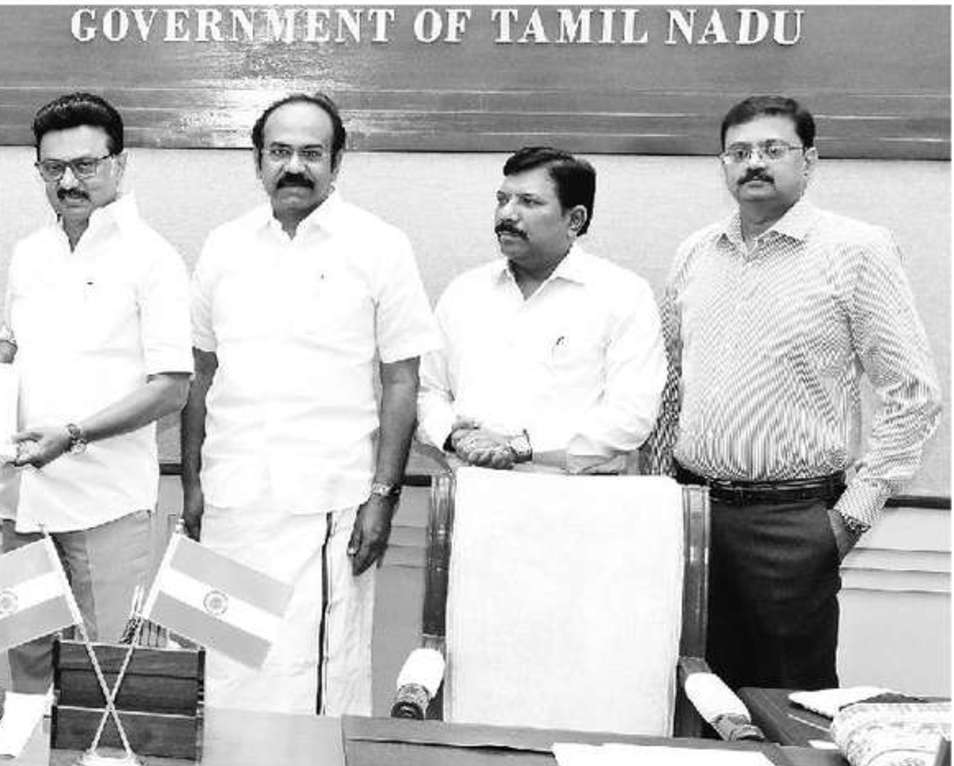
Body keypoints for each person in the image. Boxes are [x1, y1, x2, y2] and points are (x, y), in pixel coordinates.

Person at [646, 95, 941, 690]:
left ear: (809, 160)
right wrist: (661, 497)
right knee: (695, 693)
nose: (754, 162)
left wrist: (850, 519)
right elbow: (671, 383)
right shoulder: (696, 252)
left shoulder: (856, 250)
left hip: (792, 522)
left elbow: (913, 394)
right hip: (694, 515)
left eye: (772, 149)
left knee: (791, 704)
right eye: (738, 152)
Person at [181, 93, 439, 717]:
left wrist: (383, 496)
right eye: (279, 152)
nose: (294, 167)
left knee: (312, 682)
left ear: (336, 162)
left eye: (311, 153)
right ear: (257, 161)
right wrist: (192, 483)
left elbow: (402, 381)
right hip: (231, 499)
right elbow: (200, 372)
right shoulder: (224, 245)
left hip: (328, 505)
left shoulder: (379, 245)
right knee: (225, 672)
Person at [0, 92, 191, 692]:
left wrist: (73, 435)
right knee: (25, 665)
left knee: (106, 670)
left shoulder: (153, 259)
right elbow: (10, 346)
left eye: (85, 165)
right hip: (24, 495)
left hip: (106, 500)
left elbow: (171, 388)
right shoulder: (29, 253)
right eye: (53, 168)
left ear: (119, 164)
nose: (69, 182)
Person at [417, 146, 663, 474]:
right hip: (473, 489)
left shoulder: (623, 295)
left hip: (578, 495)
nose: (507, 214)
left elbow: (631, 416)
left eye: (528, 202)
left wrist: (521, 448)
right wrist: (455, 436)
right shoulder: (464, 292)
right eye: (502, 199)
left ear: (574, 220)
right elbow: (428, 391)